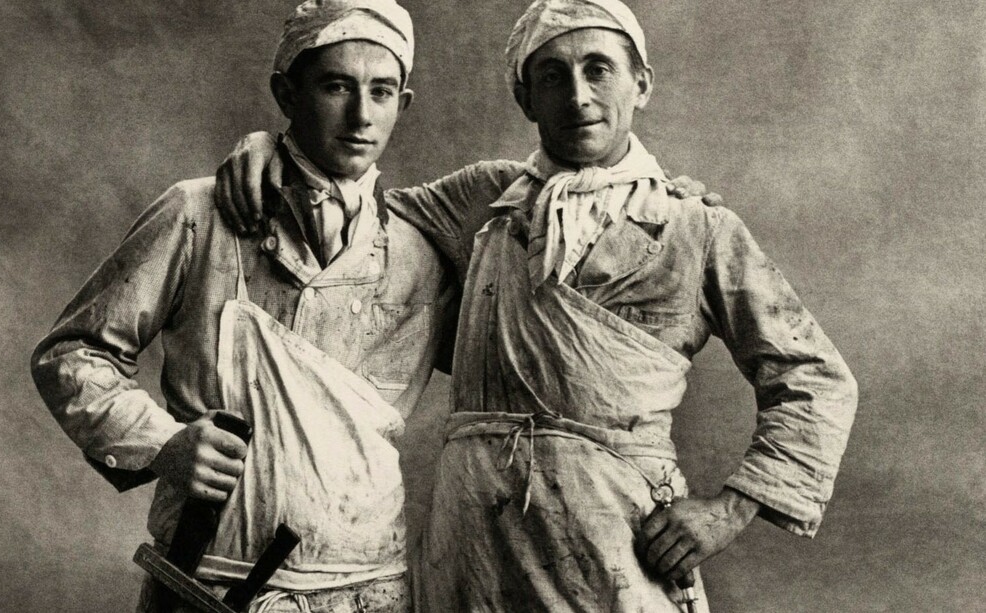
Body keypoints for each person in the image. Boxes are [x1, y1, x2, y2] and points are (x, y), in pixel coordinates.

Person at [215, 1, 857, 611]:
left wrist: (729, 511)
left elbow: (814, 379)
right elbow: (349, 202)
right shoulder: (482, 200)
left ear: (641, 83)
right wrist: (273, 147)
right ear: (526, 97)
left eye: (599, 69)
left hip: (614, 543)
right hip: (473, 544)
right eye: (552, 76)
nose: (578, 96)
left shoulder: (694, 227)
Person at [31, 1, 516, 610]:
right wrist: (162, 443)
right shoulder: (199, 215)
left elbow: (517, 389)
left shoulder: (422, 248)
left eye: (382, 91)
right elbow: (72, 353)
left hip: (370, 588)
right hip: (206, 582)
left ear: (404, 103)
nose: (362, 115)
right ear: (287, 94)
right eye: (336, 87)